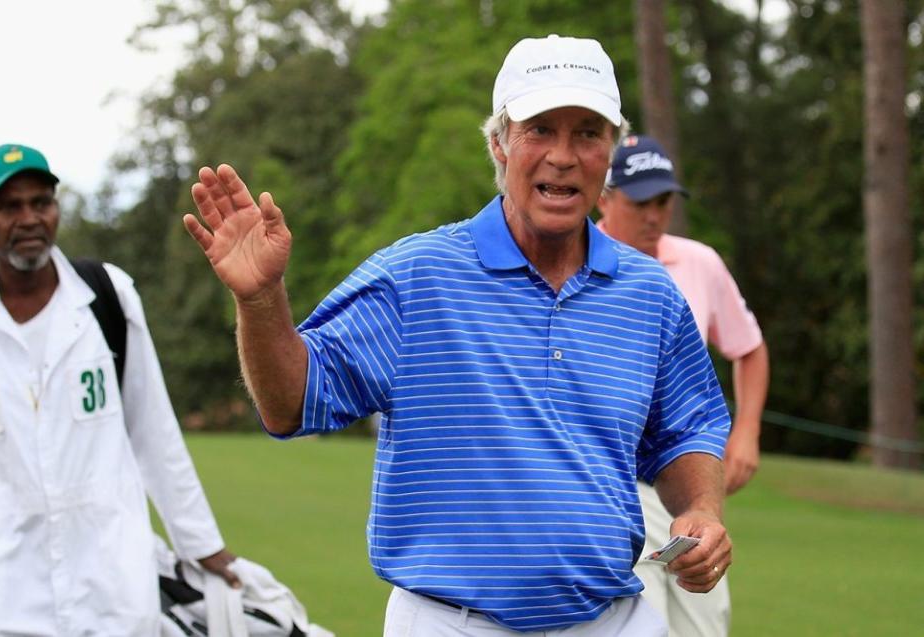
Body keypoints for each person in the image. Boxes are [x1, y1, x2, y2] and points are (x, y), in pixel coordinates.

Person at [185, 34, 733, 636]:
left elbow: (686, 427)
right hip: (453, 622)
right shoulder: (416, 275)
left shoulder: (649, 294)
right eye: (540, 129)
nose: (563, 154)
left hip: (612, 619)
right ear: (499, 142)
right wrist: (261, 300)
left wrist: (700, 509)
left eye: (587, 132)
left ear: (609, 151)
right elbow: (291, 402)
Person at [0, 143, 239, 635]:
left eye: (40, 202)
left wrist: (202, 544)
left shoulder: (108, 296)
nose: (28, 218)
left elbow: (152, 427)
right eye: (8, 207)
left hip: (111, 579)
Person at [597, 134, 770, 637]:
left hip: (691, 480)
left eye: (663, 202)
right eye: (639, 203)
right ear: (605, 197)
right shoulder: (574, 259)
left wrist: (747, 433)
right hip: (617, 481)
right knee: (641, 621)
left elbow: (749, 348)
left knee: (704, 623)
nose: (654, 216)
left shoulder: (699, 262)